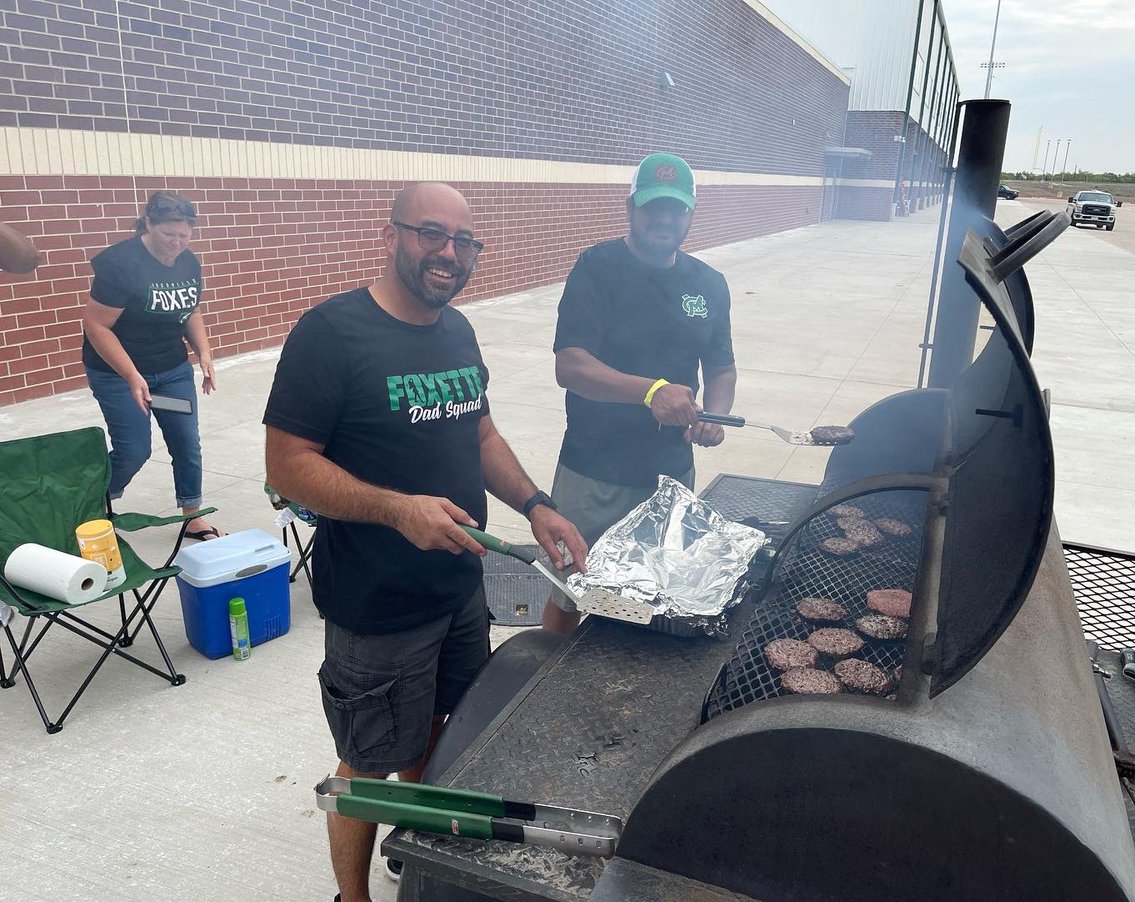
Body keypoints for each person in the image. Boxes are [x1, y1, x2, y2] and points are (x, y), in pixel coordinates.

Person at [262, 182, 587, 902]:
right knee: (367, 761)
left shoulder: (456, 330)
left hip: (459, 587)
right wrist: (395, 510)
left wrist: (535, 504)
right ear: (390, 235)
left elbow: (481, 432)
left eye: (464, 241)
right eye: (430, 233)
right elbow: (286, 466)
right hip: (377, 604)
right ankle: (353, 899)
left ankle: (413, 847)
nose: (449, 252)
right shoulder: (331, 333)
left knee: (445, 725)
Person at [541, 152, 738, 635]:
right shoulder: (597, 267)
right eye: (653, 206)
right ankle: (544, 675)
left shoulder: (709, 284)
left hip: (670, 476)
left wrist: (715, 414)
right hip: (593, 472)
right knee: (570, 593)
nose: (664, 218)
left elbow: (722, 367)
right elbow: (571, 366)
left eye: (676, 208)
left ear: (690, 214)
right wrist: (650, 391)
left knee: (655, 598)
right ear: (631, 207)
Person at [81, 190, 223, 539]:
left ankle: (193, 515)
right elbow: (96, 326)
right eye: (168, 234)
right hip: (117, 374)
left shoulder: (188, 262)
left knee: (186, 442)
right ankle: (91, 507)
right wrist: (132, 376)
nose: (177, 242)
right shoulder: (119, 264)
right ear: (148, 224)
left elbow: (191, 310)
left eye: (184, 235)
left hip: (171, 371)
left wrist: (204, 353)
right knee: (134, 450)